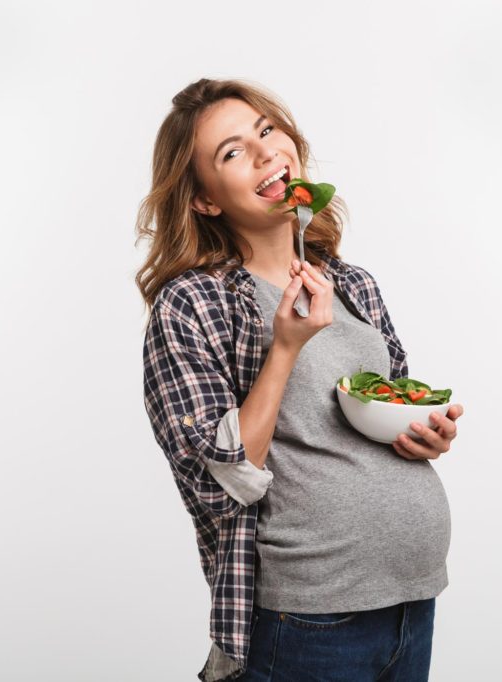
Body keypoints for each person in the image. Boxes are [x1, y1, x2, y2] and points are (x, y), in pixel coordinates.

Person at [135, 77, 464, 682]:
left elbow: (380, 407)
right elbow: (226, 476)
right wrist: (284, 347)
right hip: (306, 619)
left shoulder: (353, 283)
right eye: (232, 152)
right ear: (205, 200)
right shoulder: (193, 304)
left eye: (266, 130)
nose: (265, 153)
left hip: (412, 601)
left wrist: (423, 433)